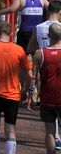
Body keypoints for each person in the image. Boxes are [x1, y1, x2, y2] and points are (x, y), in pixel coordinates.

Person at [0, 19, 32, 154]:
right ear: (11, 33)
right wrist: (25, 90)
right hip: (13, 94)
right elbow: (29, 75)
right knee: (10, 127)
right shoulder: (18, 50)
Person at [33, 22, 61, 154]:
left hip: (47, 97)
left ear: (49, 35)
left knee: (50, 131)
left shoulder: (40, 53)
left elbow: (34, 77)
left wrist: (31, 94)